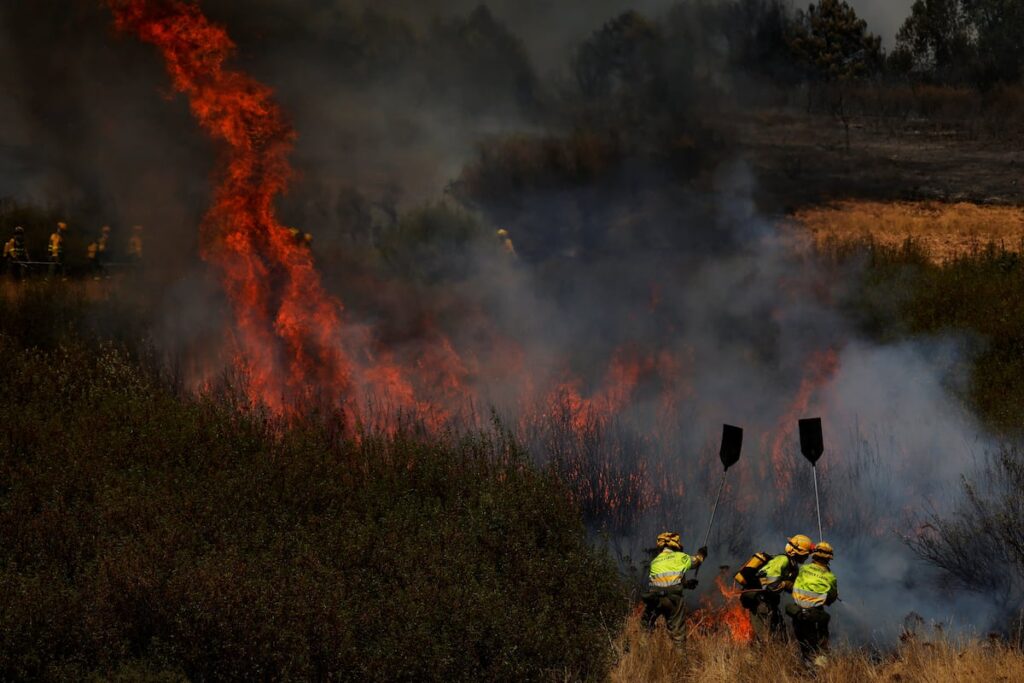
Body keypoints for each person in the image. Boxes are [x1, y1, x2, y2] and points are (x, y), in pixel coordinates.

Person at [736, 534, 814, 640]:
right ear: (796, 552)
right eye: (805, 554)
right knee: (765, 638)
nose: (806, 557)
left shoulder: (792, 565)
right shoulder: (783, 560)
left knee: (780, 636)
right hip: (760, 602)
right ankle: (761, 655)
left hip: (769, 603)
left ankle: (774, 653)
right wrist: (786, 584)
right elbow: (771, 585)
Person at [641, 532, 707, 643]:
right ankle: (679, 658)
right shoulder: (681, 557)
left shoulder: (654, 562)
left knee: (645, 626)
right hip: (673, 600)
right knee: (678, 635)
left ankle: (640, 653)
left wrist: (686, 584)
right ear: (676, 546)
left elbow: (663, 582)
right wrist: (702, 553)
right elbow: (697, 561)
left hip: (654, 598)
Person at [787, 541, 838, 668]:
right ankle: (821, 672)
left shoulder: (803, 569)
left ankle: (806, 668)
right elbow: (831, 598)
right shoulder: (830, 577)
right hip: (816, 615)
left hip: (797, 613)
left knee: (803, 643)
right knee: (821, 645)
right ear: (828, 559)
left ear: (814, 556)